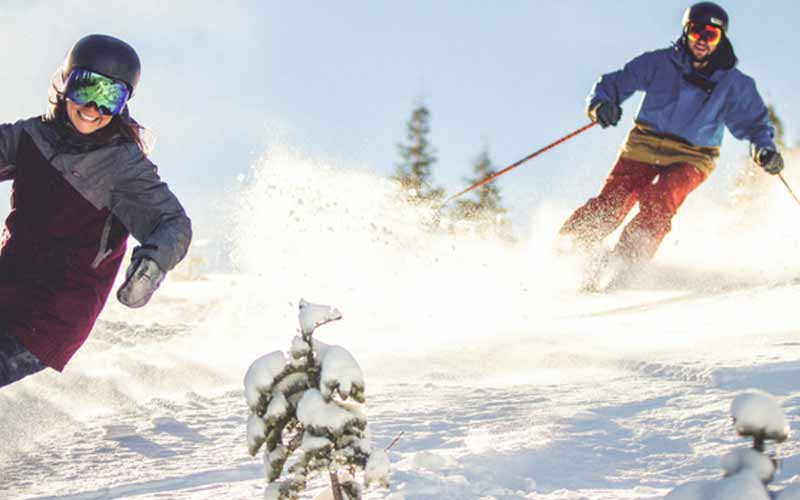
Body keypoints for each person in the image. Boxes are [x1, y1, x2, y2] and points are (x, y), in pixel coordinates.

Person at [0, 34, 192, 388]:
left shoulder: (122, 165)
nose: (93, 108)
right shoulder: (32, 136)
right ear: (66, 82)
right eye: (86, 88)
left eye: (109, 98)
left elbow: (172, 222)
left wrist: (150, 267)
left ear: (123, 104)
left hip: (50, 315)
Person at [559, 2, 783, 286]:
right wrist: (601, 105)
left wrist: (764, 150)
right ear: (686, 32)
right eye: (696, 31)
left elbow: (754, 125)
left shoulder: (735, 84)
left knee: (662, 199)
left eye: (711, 34)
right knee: (614, 201)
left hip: (694, 154)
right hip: (645, 142)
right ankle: (568, 249)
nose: (702, 40)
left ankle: (626, 263)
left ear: (721, 38)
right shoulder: (659, 63)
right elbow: (613, 83)